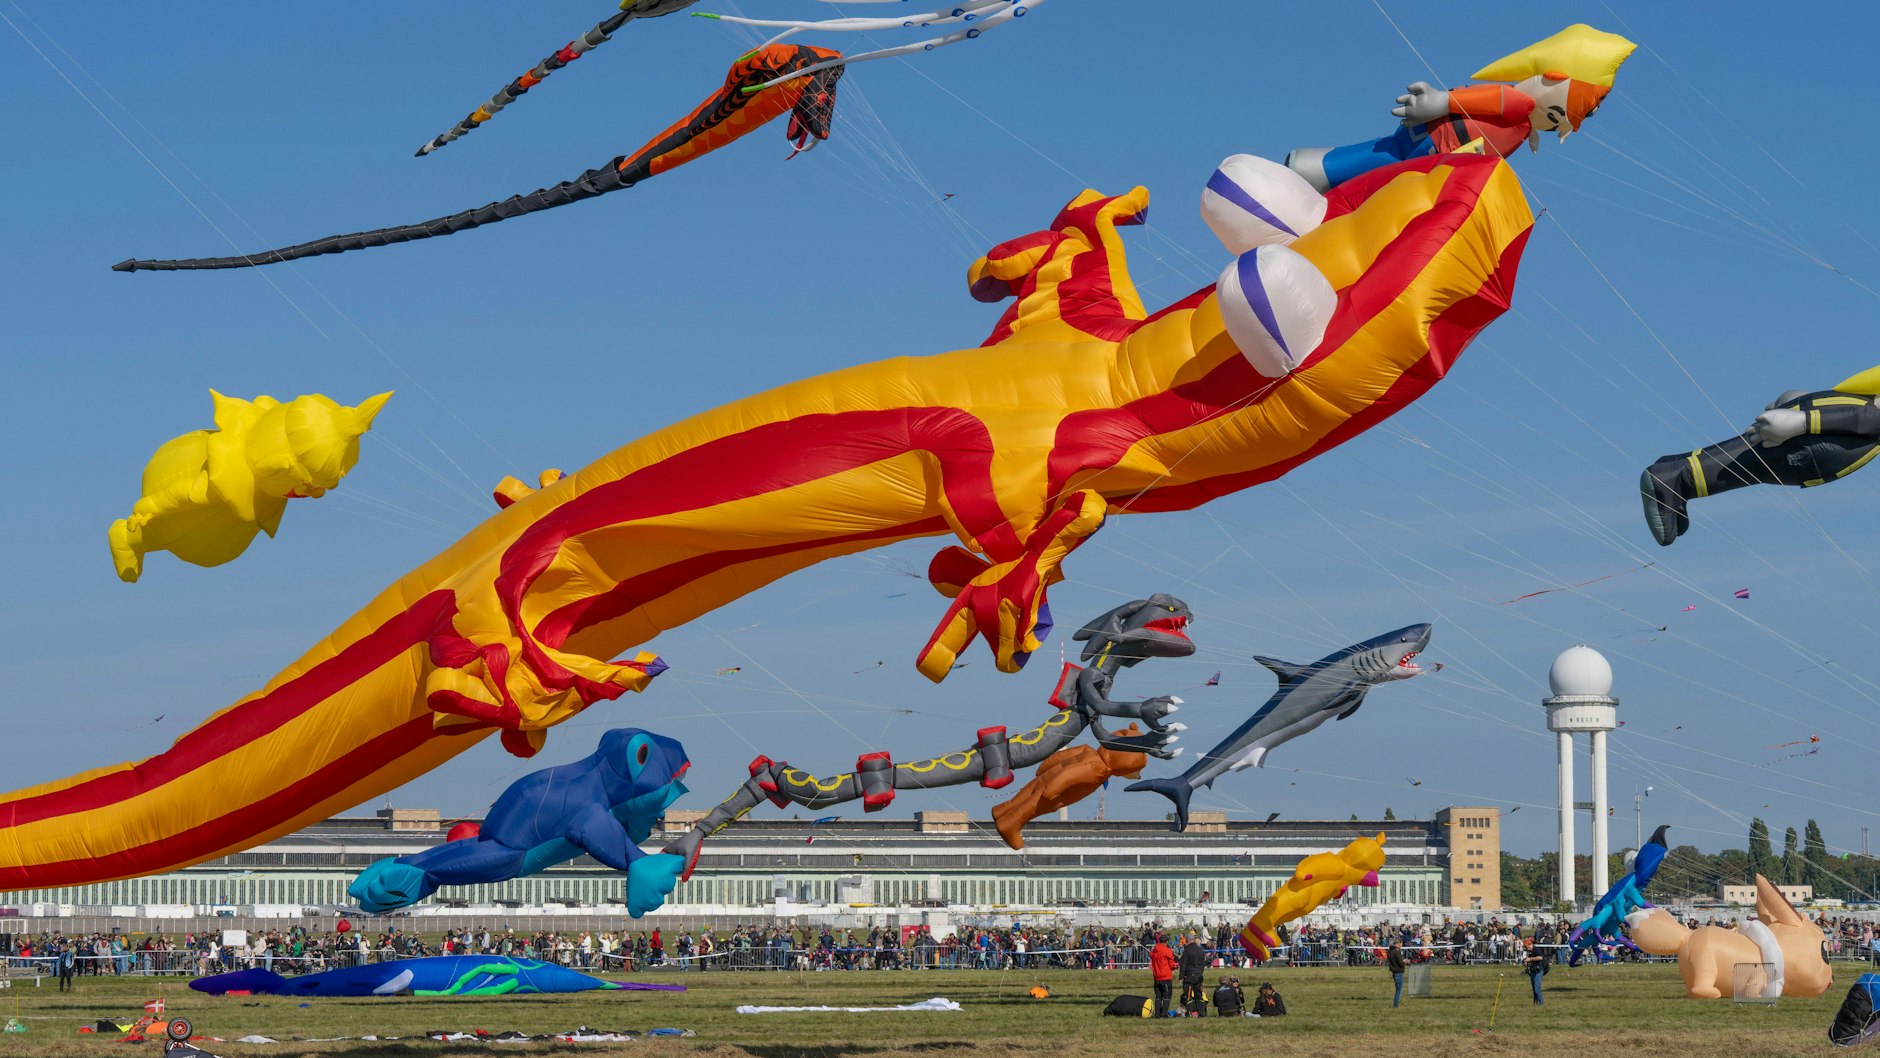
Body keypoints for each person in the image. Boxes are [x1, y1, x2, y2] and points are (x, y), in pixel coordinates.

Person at [1149, 932, 1177, 1017]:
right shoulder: (1167, 950)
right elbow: (1172, 965)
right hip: (1165, 977)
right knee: (1167, 996)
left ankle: (1157, 1014)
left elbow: (1151, 955)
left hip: (1156, 977)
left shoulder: (1154, 950)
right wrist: (1175, 966)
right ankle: (1164, 1014)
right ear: (1166, 941)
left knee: (1158, 996)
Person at [1179, 933, 1208, 1016]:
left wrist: (1181, 976)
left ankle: (1188, 1013)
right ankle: (1201, 1013)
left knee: (1187, 995)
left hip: (1189, 975)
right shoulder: (1201, 950)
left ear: (1187, 940)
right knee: (1199, 995)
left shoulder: (1187, 951)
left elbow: (1183, 965)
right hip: (1199, 975)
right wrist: (1200, 973)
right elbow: (1203, 964)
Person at [1524, 940, 1548, 1004]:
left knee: (1537, 988)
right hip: (1533, 970)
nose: (1526, 948)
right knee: (1534, 989)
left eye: (1526, 946)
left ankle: (1541, 1003)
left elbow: (1540, 957)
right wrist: (1526, 962)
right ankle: (1535, 1003)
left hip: (1538, 970)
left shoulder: (1536, 949)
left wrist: (1530, 959)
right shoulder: (1530, 951)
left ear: (1529, 944)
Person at [1387, 939, 1406, 1007]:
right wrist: (1405, 962)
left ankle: (1395, 1004)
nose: (1401, 945)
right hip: (1399, 972)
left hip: (1394, 972)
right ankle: (1395, 1005)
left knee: (1398, 989)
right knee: (1399, 990)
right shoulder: (1397, 951)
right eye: (1401, 943)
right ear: (1398, 943)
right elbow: (1400, 963)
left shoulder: (1390, 951)